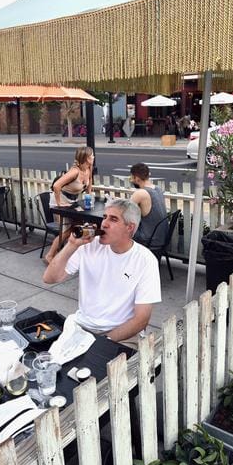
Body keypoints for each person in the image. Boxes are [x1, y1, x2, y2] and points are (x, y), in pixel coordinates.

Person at [43, 199, 161, 348]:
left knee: (104, 369)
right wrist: (71, 245)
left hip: (121, 333)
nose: (104, 224)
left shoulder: (144, 260)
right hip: (82, 326)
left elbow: (141, 319)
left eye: (113, 219)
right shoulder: (89, 246)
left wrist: (102, 341)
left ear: (129, 228)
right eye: (104, 217)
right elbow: (49, 278)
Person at [44, 146, 94, 263]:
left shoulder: (88, 168)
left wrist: (89, 196)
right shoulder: (74, 171)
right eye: (91, 155)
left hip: (72, 202)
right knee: (67, 231)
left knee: (80, 224)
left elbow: (90, 180)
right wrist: (59, 203)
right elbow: (56, 186)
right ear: (86, 158)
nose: (93, 157)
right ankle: (50, 255)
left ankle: (74, 253)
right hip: (60, 200)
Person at [129, 163, 168, 248]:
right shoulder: (158, 189)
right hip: (162, 238)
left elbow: (125, 211)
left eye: (132, 177)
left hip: (149, 240)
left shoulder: (140, 193)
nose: (131, 180)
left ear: (137, 178)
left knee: (121, 228)